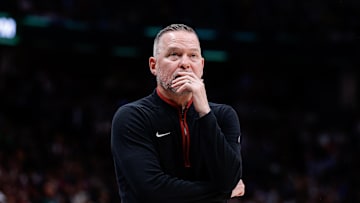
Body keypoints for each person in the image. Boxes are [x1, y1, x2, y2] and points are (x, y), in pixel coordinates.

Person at [111, 23, 245, 203]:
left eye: (193, 56)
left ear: (202, 65)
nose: (185, 64)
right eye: (174, 55)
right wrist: (224, 192)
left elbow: (229, 178)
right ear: (154, 65)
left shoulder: (223, 116)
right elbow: (153, 192)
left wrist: (204, 112)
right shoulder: (132, 117)